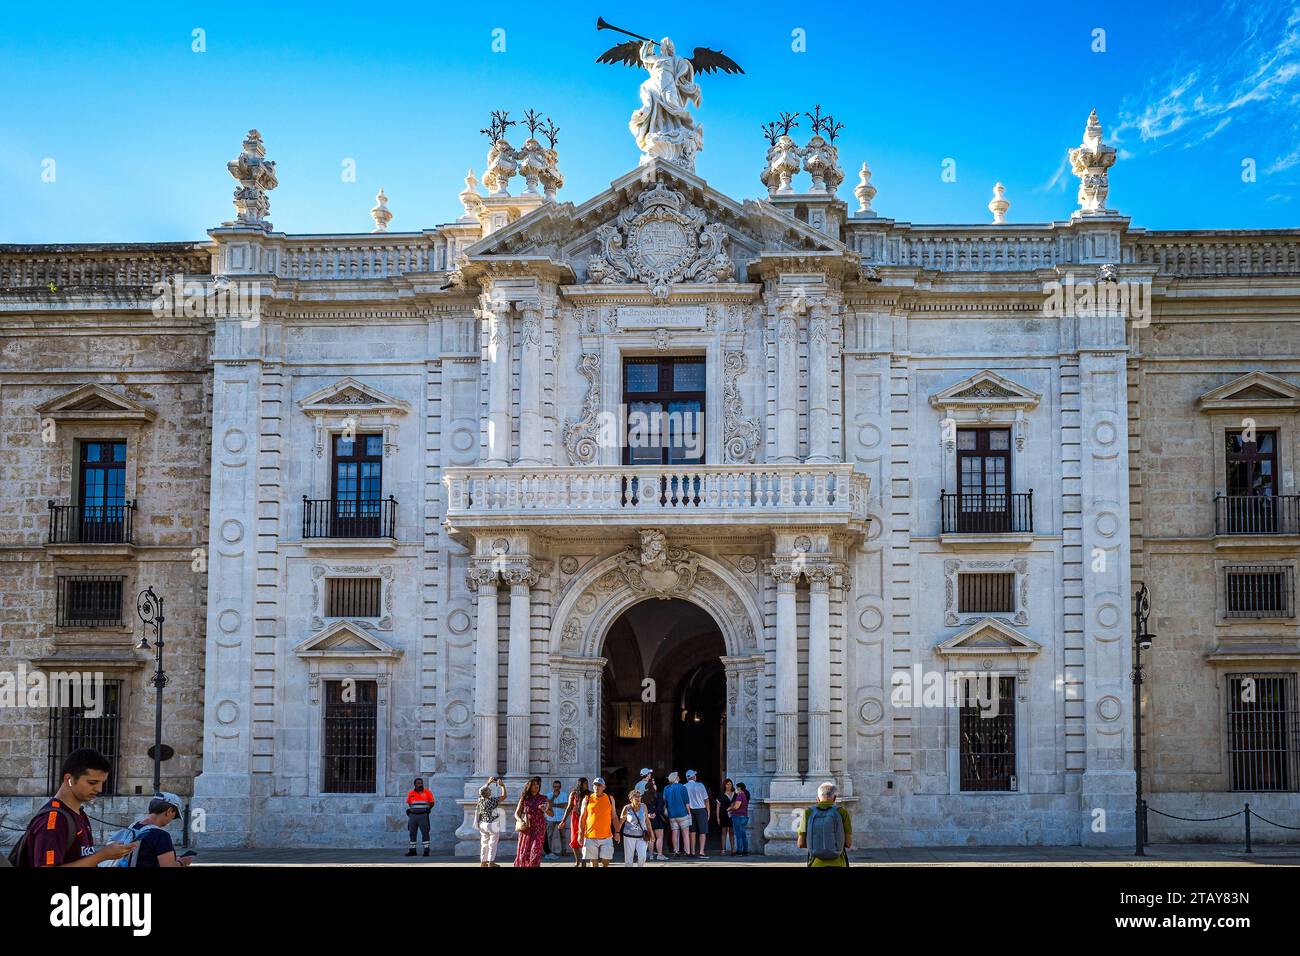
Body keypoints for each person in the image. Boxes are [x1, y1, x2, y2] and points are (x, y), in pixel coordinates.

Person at [10, 748, 135, 867]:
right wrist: (103, 855)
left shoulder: (79, 814)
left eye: (102, 783)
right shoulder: (54, 820)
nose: (99, 789)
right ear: (68, 779)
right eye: (92, 782)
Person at [126, 791, 191, 867]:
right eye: (175, 816)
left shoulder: (133, 827)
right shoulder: (161, 836)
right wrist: (182, 862)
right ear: (169, 811)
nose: (172, 819)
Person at [796, 781, 852, 867]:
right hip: (839, 863)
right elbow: (848, 843)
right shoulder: (842, 812)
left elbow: (800, 844)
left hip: (815, 863)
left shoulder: (808, 812)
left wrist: (817, 845)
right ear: (835, 798)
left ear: (817, 799)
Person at [577, 777, 619, 868]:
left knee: (606, 861)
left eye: (599, 785)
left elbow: (614, 816)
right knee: (593, 861)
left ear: (604, 787)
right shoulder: (587, 798)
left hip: (606, 835)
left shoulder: (610, 798)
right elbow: (582, 817)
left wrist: (618, 832)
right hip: (590, 835)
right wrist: (580, 833)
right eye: (594, 785)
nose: (596, 787)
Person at [513, 776, 550, 867]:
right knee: (524, 854)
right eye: (533, 784)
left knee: (535, 853)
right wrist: (521, 820)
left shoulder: (544, 798)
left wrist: (545, 809)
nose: (536, 786)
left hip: (539, 828)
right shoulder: (524, 798)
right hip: (527, 828)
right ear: (529, 786)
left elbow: (551, 813)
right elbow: (516, 814)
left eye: (537, 784)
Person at [556, 777, 591, 867]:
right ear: (581, 784)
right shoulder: (574, 794)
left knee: (585, 841)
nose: (587, 785)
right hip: (575, 818)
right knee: (574, 840)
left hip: (587, 819)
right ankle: (577, 860)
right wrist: (563, 821)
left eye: (587, 783)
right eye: (585, 783)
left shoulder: (590, 794)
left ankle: (583, 861)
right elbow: (568, 808)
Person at [475, 776, 506, 867]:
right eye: (489, 790)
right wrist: (502, 786)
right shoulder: (492, 800)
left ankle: (483, 862)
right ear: (487, 793)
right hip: (492, 824)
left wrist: (488, 783)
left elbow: (481, 792)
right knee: (492, 843)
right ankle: (491, 862)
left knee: (484, 843)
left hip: (483, 824)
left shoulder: (480, 800)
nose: (491, 791)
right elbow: (504, 796)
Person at [618, 787, 653, 867]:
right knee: (629, 860)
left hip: (642, 836)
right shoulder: (627, 808)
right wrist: (617, 833)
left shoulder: (644, 806)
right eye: (636, 797)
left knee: (642, 857)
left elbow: (647, 821)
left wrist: (651, 833)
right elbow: (620, 822)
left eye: (639, 796)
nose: (638, 798)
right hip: (629, 836)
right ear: (631, 799)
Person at [640, 773, 669, 861]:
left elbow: (642, 807)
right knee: (659, 837)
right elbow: (660, 807)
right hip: (657, 818)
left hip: (647, 818)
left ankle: (651, 855)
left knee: (650, 838)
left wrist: (648, 814)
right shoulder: (658, 795)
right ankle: (660, 855)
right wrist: (655, 813)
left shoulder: (643, 796)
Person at [662, 770, 691, 857]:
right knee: (685, 834)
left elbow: (665, 801)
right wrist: (689, 812)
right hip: (682, 813)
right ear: (676, 778)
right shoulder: (682, 787)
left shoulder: (666, 788)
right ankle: (687, 852)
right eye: (678, 776)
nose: (679, 777)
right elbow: (686, 802)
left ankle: (676, 851)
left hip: (672, 814)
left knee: (675, 833)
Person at [404, 777, 435, 856]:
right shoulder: (411, 793)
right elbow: (409, 803)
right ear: (415, 785)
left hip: (423, 815)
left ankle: (426, 850)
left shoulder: (427, 792)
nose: (420, 785)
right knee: (412, 833)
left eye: (421, 783)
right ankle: (412, 851)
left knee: (425, 832)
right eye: (418, 783)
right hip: (413, 816)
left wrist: (428, 809)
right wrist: (411, 810)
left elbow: (432, 802)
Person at [684, 769, 710, 858]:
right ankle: (701, 851)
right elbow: (706, 799)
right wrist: (709, 811)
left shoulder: (684, 786)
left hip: (689, 811)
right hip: (701, 810)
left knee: (692, 831)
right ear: (694, 777)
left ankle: (693, 851)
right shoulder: (700, 785)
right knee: (702, 831)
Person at [729, 782, 751, 856]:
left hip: (738, 817)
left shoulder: (740, 796)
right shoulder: (745, 795)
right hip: (744, 817)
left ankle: (739, 851)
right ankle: (745, 851)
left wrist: (729, 809)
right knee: (743, 835)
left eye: (736, 787)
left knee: (739, 835)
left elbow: (736, 807)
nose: (735, 789)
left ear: (739, 788)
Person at [544, 779, 564, 858]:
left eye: (558, 787)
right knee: (549, 836)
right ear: (553, 787)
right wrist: (553, 797)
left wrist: (553, 805)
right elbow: (548, 805)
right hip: (550, 819)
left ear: (560, 787)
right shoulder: (548, 795)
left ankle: (564, 850)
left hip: (561, 817)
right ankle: (549, 851)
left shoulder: (564, 794)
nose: (556, 788)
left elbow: (565, 805)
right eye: (555, 787)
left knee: (563, 836)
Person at [715, 779, 735, 856]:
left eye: (730, 784)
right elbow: (718, 807)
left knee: (732, 832)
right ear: (724, 785)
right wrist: (717, 818)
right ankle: (723, 849)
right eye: (727, 784)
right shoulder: (722, 795)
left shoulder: (735, 794)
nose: (729, 786)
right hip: (723, 815)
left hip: (733, 815)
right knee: (724, 832)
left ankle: (733, 849)